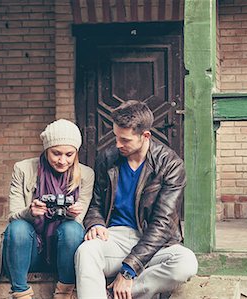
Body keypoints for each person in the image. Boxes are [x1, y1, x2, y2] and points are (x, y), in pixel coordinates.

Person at [74, 100, 198, 299]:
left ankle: (116, 293)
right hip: (115, 237)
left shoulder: (170, 164)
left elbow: (163, 223)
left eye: (125, 140)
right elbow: (95, 204)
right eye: (116, 137)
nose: (117, 144)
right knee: (86, 252)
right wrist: (95, 223)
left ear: (145, 136)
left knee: (186, 263)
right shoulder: (107, 158)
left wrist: (128, 272)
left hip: (153, 240)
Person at [0, 119, 94, 299]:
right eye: (56, 153)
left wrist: (71, 215)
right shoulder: (23, 169)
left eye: (69, 154)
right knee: (18, 227)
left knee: (72, 229)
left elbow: (79, 222)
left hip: (63, 253)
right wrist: (29, 212)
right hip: (27, 252)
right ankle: (21, 292)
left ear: (76, 153)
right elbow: (13, 216)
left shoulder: (86, 174)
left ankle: (64, 292)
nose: (63, 161)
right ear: (46, 149)